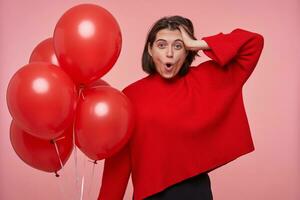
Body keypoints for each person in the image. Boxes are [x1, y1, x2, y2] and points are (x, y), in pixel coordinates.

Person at [98, 15, 264, 200]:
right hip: (151, 196)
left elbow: (253, 43)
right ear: (150, 50)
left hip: (194, 193)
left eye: (178, 46)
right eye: (161, 45)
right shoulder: (130, 95)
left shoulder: (205, 79)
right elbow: (117, 164)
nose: (169, 53)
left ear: (186, 52)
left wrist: (196, 43)